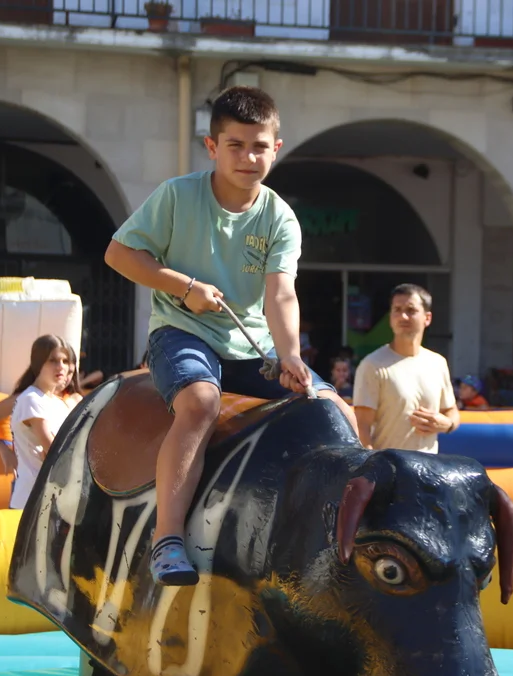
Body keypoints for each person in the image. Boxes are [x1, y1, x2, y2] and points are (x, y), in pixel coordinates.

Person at [103, 85, 355, 587]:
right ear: (212, 146)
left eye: (259, 147)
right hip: (182, 331)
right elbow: (119, 255)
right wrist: (185, 287)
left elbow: (281, 294)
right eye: (235, 145)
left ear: (275, 149)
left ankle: (343, 543)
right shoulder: (177, 195)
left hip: (252, 345)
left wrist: (290, 355)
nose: (248, 157)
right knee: (200, 401)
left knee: (337, 411)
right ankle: (167, 539)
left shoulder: (280, 217)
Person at [0, 335, 83, 508]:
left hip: (54, 500)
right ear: (38, 363)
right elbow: (54, 449)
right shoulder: (30, 399)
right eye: (53, 360)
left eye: (65, 362)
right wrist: (3, 450)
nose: (61, 367)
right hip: (32, 501)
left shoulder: (57, 402)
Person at [353, 284, 459, 452]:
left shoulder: (437, 363)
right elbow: (361, 426)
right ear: (390, 317)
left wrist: (447, 424)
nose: (403, 316)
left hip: (429, 466)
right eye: (397, 310)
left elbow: (451, 410)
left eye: (411, 310)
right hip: (390, 466)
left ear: (427, 318)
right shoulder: (372, 365)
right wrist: (371, 465)